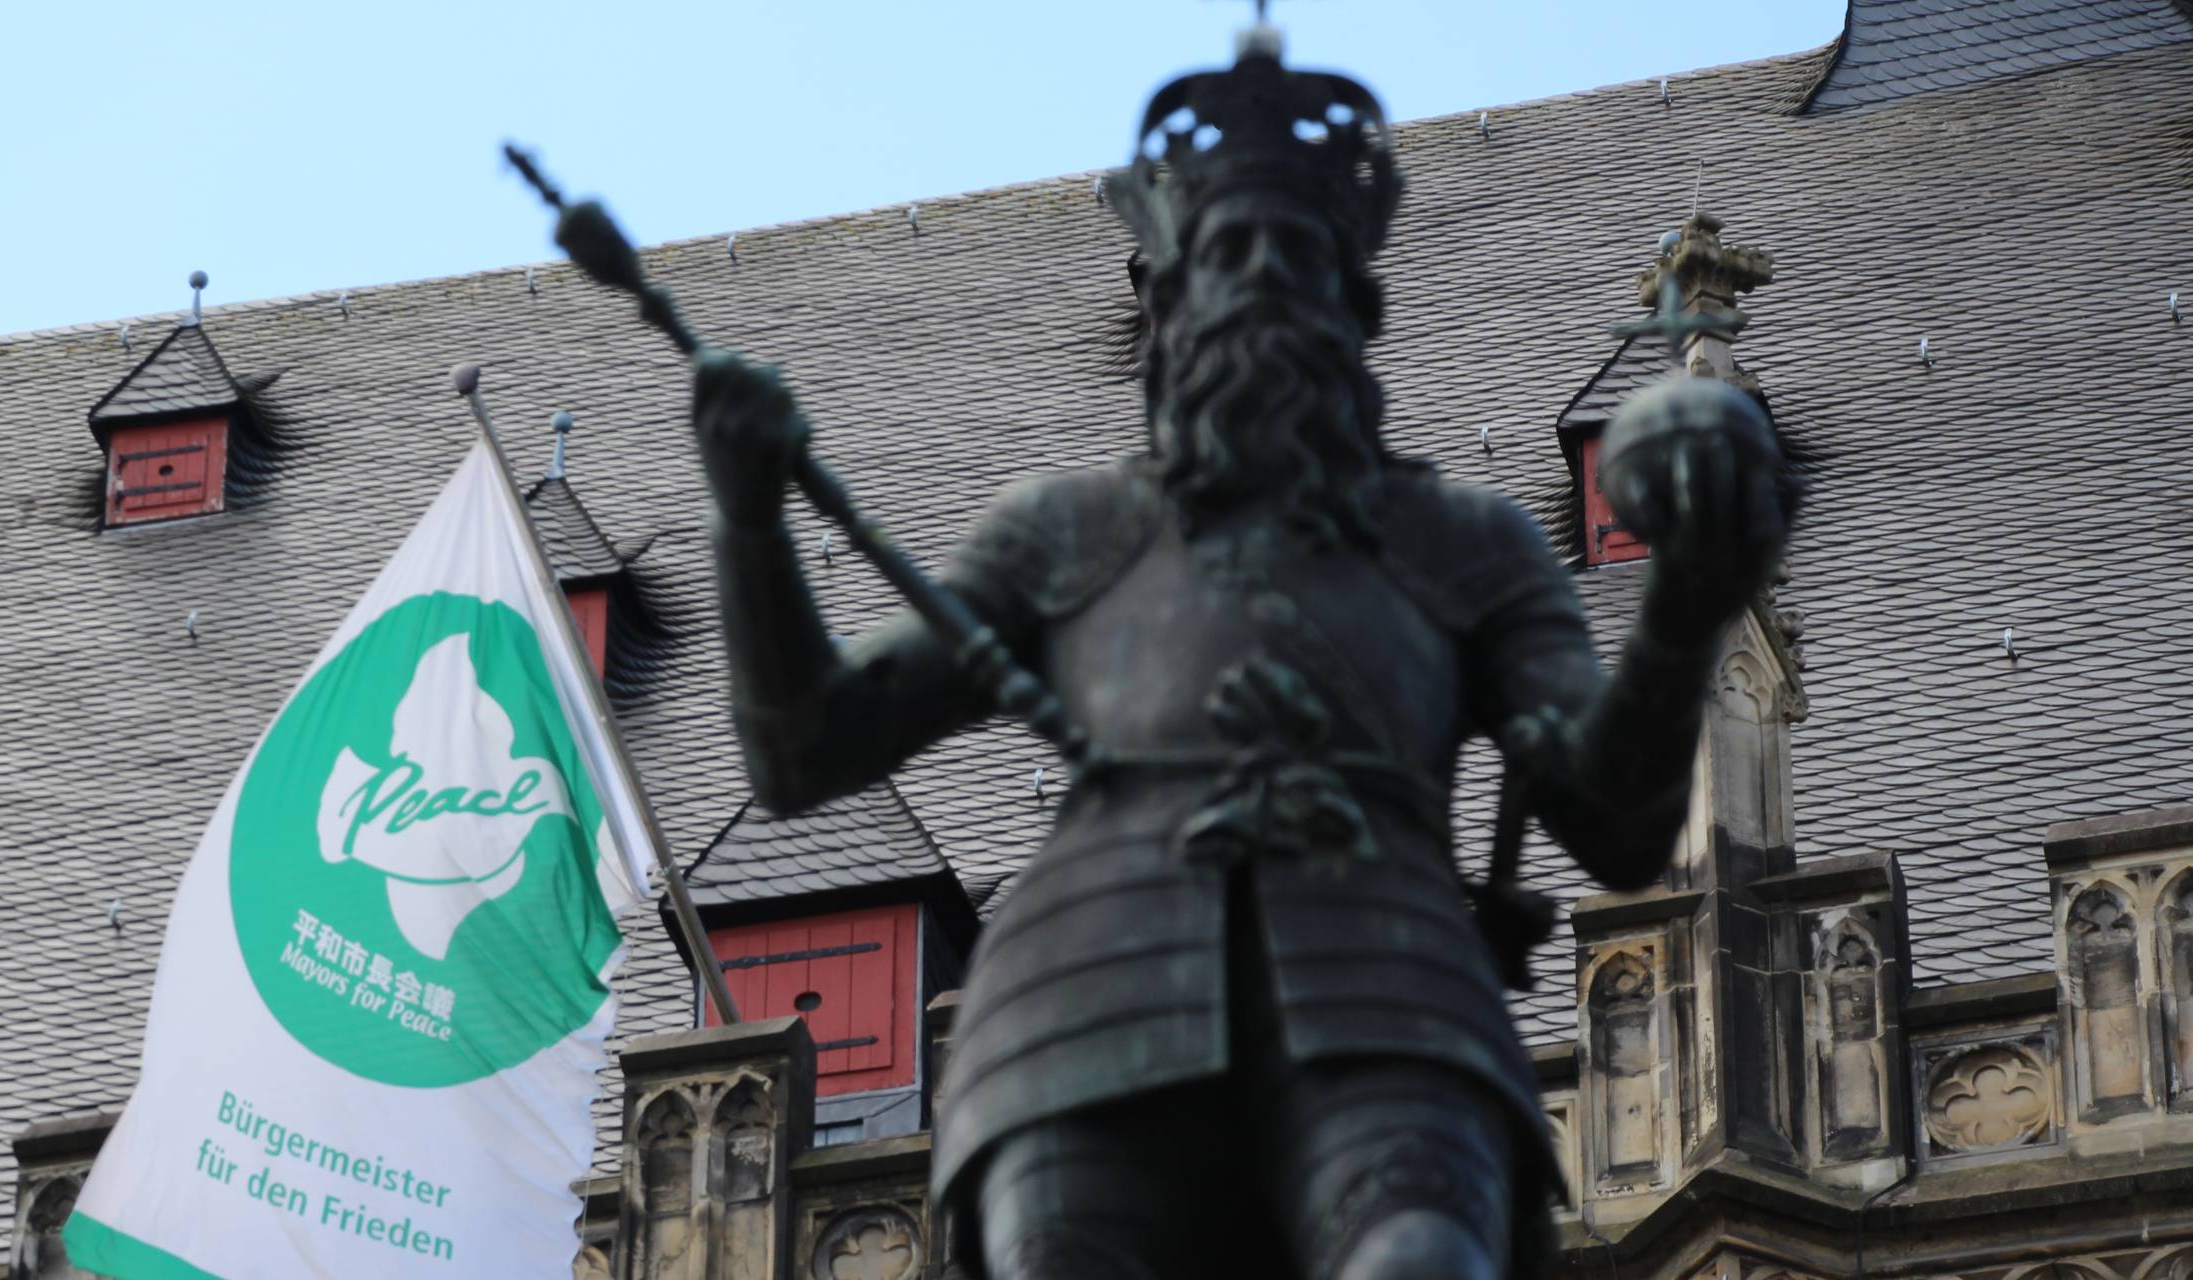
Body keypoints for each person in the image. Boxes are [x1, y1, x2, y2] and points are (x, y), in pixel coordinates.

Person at [685, 24, 1789, 1280]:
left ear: (1354, 301)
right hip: (1083, 1002)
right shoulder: (1066, 533)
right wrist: (748, 520)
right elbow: (800, 749)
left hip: (1392, 996)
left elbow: (1618, 818)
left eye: (1295, 253)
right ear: (1166, 304)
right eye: (1227, 254)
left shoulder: (1464, 542)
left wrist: (1690, 599)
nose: (1261, 280)